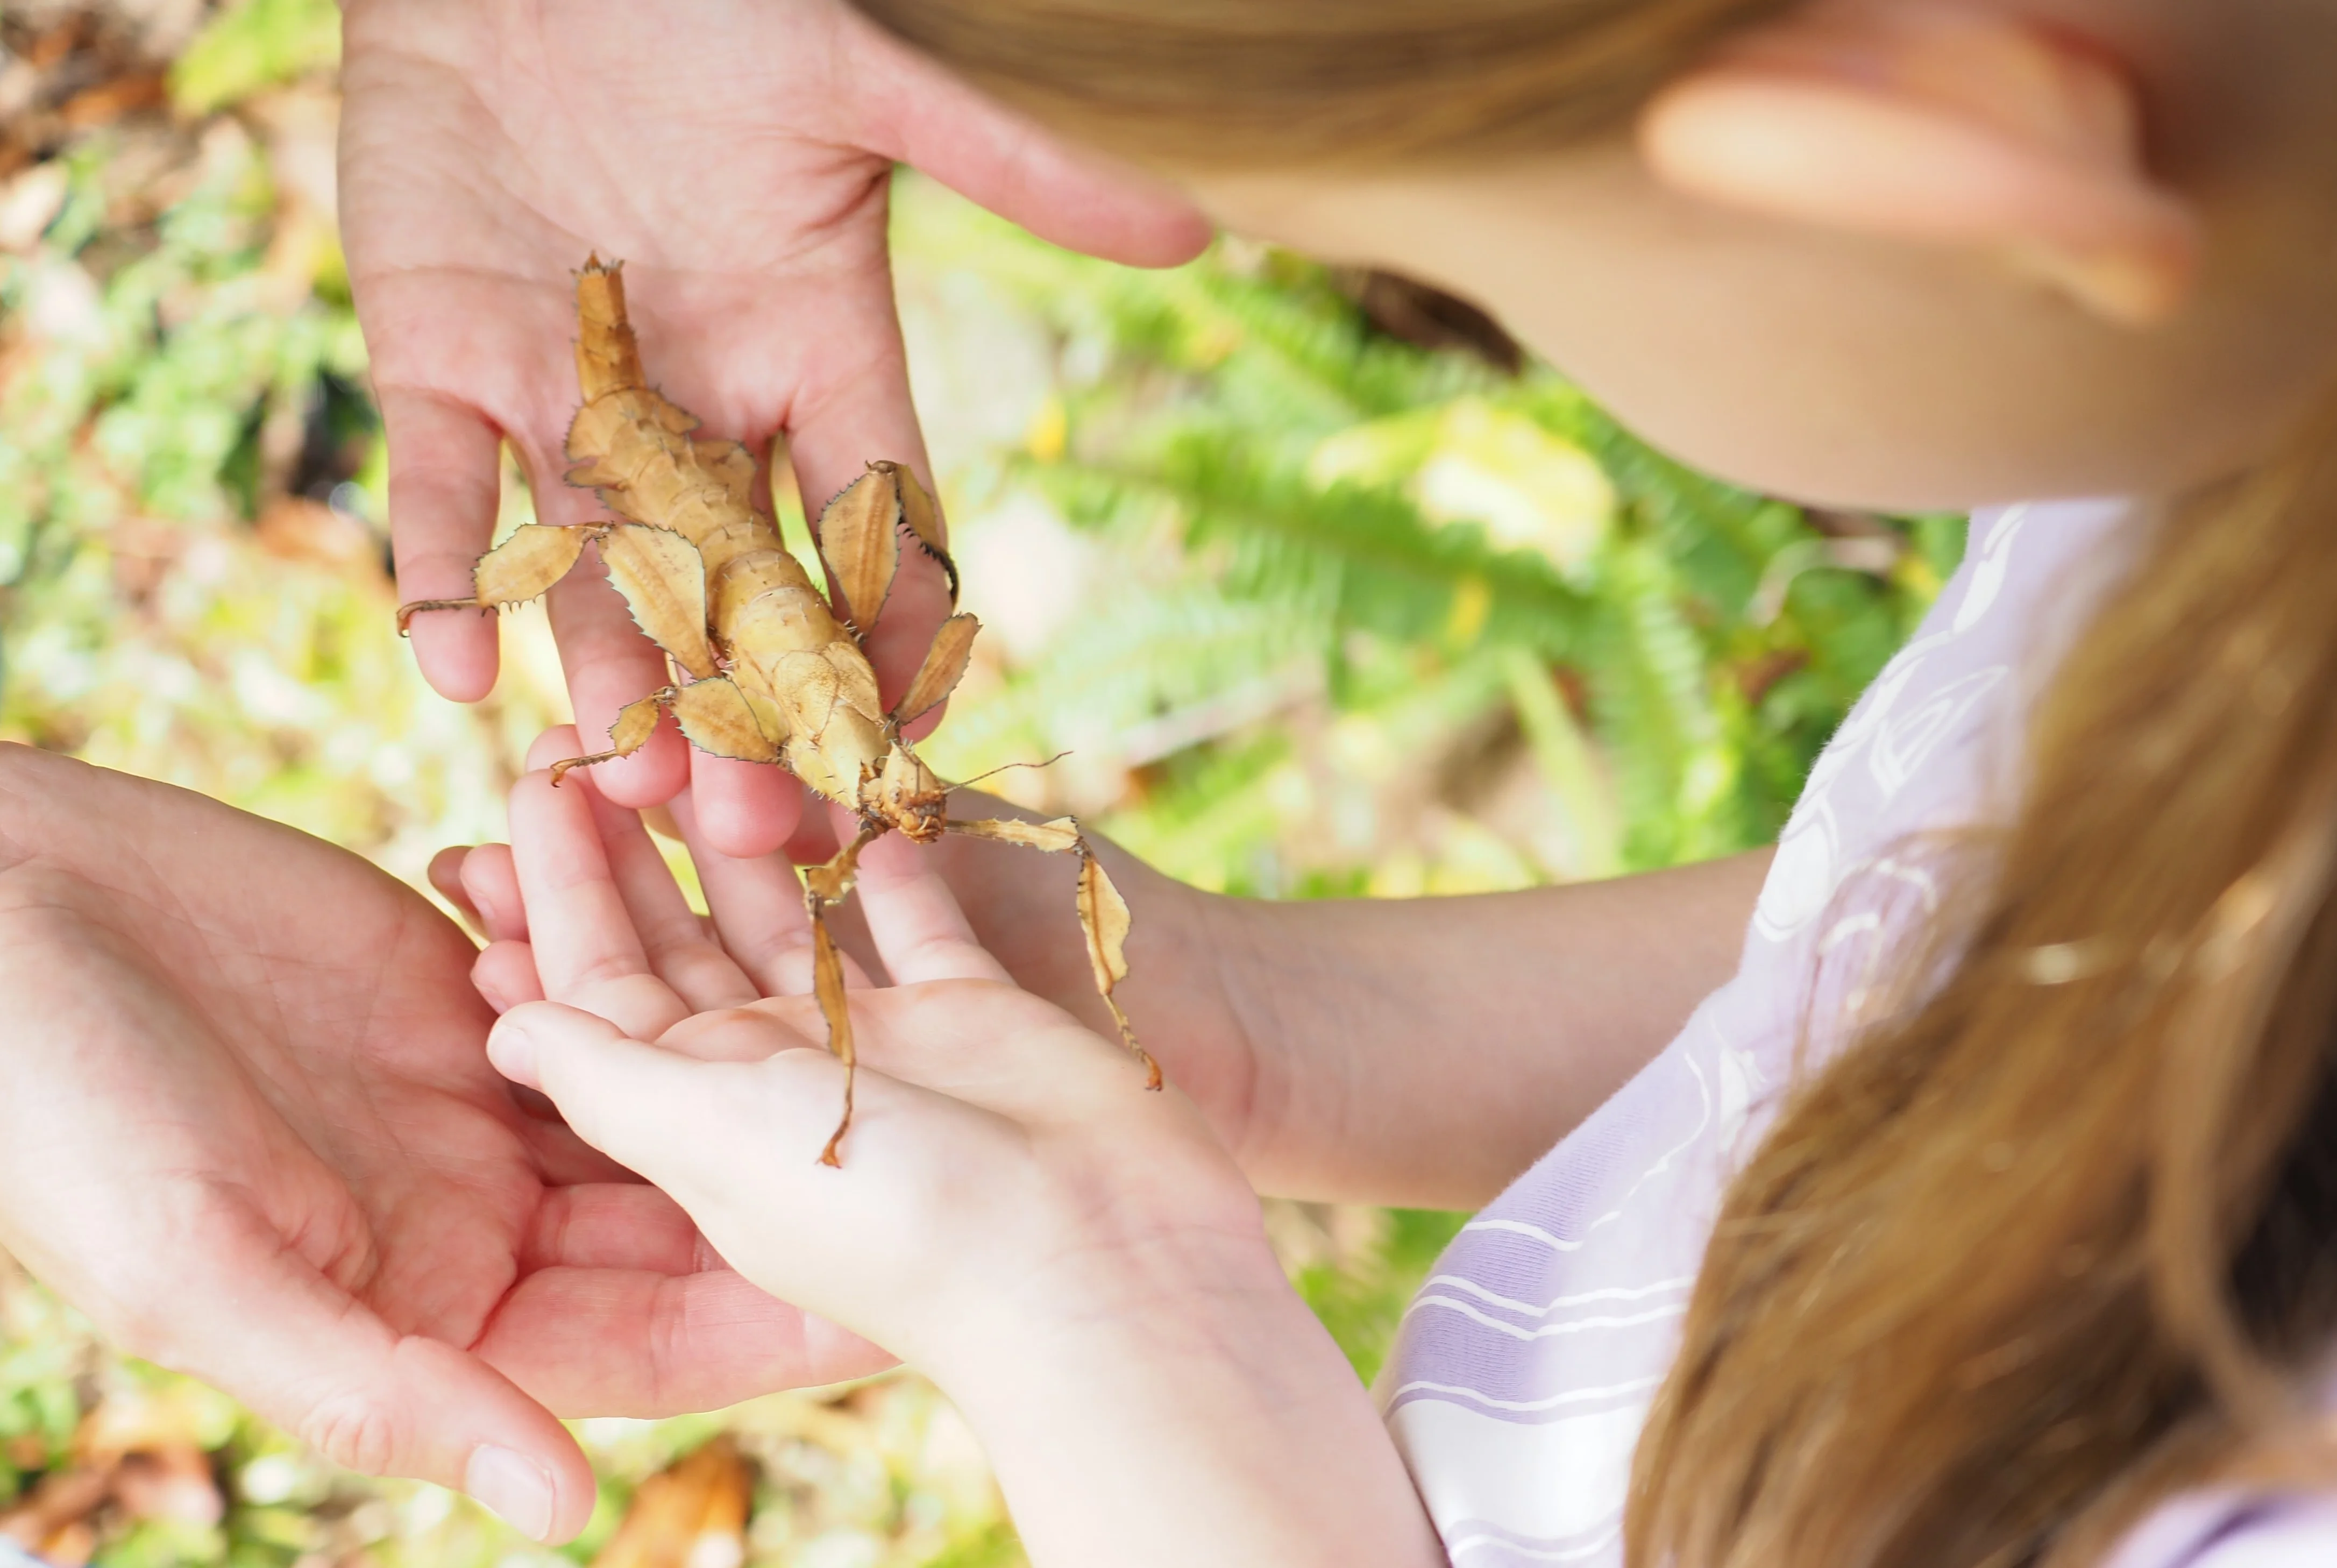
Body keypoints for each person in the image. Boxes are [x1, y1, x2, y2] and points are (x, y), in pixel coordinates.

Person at [443, 0, 2337, 1565]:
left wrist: (1086, 1330)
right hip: (706, 569)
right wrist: (1260, 1026)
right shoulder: (2237, 507)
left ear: (1923, 170)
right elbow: (1955, 940)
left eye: (1436, 284)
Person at [0, 0, 1761, 1544]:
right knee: (665, 659)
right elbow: (1849, 965)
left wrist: (1128, 1167)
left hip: (777, 622)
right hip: (704, 571)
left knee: (906, 782)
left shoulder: (889, 786)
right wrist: (1231, 1034)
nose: (912, 822)